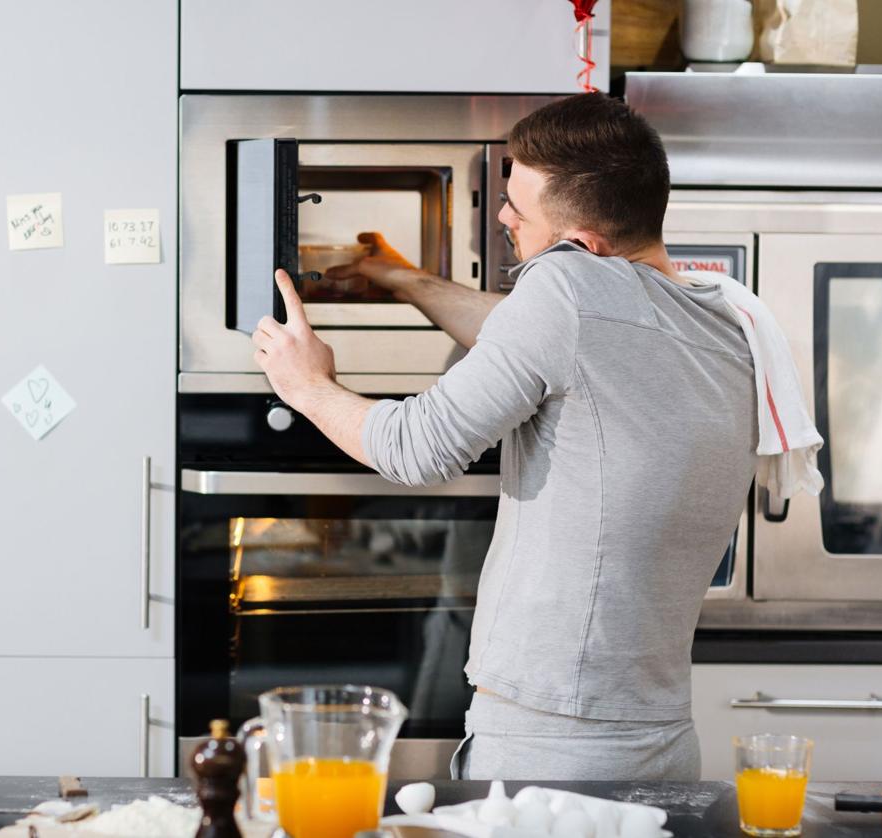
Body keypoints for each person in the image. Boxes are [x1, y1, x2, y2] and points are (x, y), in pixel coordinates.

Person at [250, 92, 758, 781]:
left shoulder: (569, 293)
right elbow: (529, 332)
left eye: (520, 210)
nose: (502, 216)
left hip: (553, 743)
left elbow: (415, 448)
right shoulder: (719, 319)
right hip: (660, 734)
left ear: (584, 249)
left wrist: (307, 385)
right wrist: (402, 278)